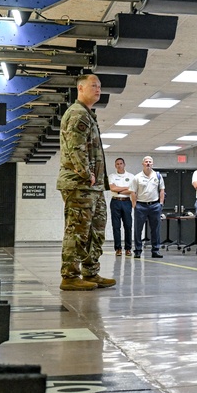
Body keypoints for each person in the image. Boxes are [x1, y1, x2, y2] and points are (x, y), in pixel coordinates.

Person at [56, 74, 116, 291]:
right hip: (80, 184)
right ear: (80, 88)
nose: (98, 89)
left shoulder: (88, 114)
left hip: (93, 186)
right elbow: (75, 148)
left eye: (100, 85)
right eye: (93, 85)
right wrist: (85, 173)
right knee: (77, 229)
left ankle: (91, 271)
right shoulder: (77, 114)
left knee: (96, 230)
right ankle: (69, 275)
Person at [131, 155, 166, 260]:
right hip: (141, 205)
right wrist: (134, 205)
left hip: (154, 205)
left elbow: (162, 190)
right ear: (143, 164)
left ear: (152, 163)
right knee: (138, 229)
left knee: (155, 229)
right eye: (146, 161)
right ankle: (137, 251)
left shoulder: (158, 176)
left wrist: (160, 204)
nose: (148, 163)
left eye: (150, 161)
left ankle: (155, 250)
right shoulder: (137, 177)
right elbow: (133, 192)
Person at [107, 157, 134, 258]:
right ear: (115, 166)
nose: (119, 165)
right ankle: (118, 248)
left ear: (124, 164)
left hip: (126, 202)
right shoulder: (112, 176)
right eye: (117, 164)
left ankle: (128, 248)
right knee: (116, 226)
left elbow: (132, 190)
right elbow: (112, 188)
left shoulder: (131, 176)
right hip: (115, 202)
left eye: (121, 163)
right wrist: (126, 188)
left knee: (128, 226)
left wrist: (119, 190)